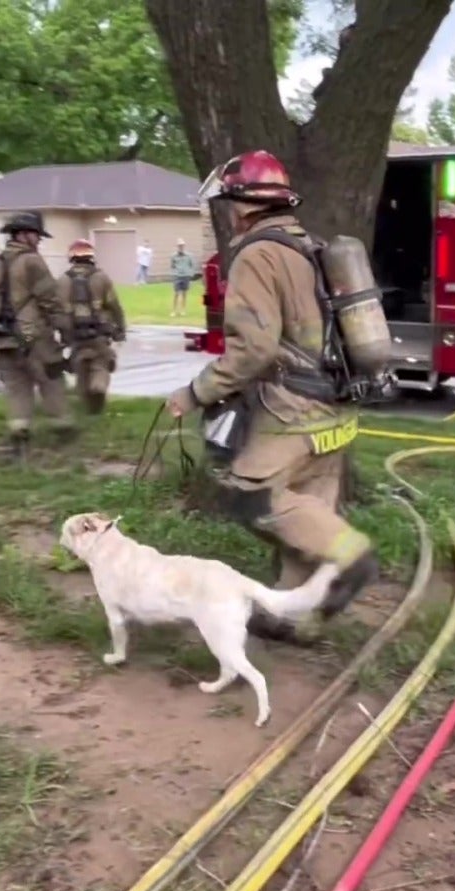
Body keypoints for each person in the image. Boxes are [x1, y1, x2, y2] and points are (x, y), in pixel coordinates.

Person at [165, 150, 378, 644]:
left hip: (293, 410)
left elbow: (254, 348)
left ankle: (352, 556)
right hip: (337, 406)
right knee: (306, 507)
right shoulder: (309, 245)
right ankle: (294, 616)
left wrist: (195, 393)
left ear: (238, 204)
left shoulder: (257, 254)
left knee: (250, 497)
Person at [0, 211, 72, 458]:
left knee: (16, 387)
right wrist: (65, 330)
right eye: (36, 234)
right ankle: (63, 429)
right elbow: (50, 300)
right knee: (52, 379)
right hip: (31, 335)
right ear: (24, 234)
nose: (39, 240)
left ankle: (19, 434)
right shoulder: (32, 261)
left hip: (3, 337)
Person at [59, 238, 127, 415]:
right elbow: (114, 305)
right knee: (102, 364)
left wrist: (63, 335)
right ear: (91, 256)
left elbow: (57, 312)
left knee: (80, 371)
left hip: (75, 338)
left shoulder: (63, 280)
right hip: (99, 335)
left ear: (71, 257)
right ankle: (98, 387)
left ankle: (87, 409)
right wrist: (120, 329)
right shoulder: (101, 277)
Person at [169, 238, 198, 317]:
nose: (181, 247)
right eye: (179, 246)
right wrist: (174, 273)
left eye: (182, 246)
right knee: (176, 293)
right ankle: (174, 311)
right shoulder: (173, 256)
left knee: (184, 294)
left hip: (186, 276)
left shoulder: (189, 256)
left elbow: (192, 265)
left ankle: (183, 310)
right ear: (177, 246)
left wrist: (190, 274)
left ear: (184, 246)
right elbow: (172, 266)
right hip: (177, 276)